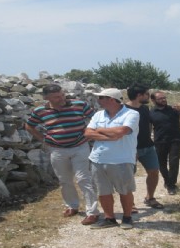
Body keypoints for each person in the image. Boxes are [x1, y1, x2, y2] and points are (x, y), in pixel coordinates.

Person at [25, 84, 100, 225]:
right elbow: (29, 126)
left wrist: (89, 135)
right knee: (64, 180)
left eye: (62, 95)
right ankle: (72, 206)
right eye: (56, 97)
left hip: (80, 147)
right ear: (46, 98)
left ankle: (93, 212)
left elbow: (96, 119)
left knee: (83, 178)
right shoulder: (40, 111)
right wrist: (43, 139)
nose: (61, 99)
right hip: (57, 150)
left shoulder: (79, 105)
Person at [84, 88, 140, 229]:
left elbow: (122, 131)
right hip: (98, 159)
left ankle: (127, 218)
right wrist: (111, 135)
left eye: (101, 98)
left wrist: (99, 130)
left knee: (125, 190)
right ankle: (109, 218)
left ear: (112, 99)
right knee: (103, 191)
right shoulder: (98, 115)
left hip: (121, 159)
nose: (98, 100)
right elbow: (87, 133)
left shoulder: (131, 114)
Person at [125, 84, 164, 209]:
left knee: (154, 172)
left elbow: (148, 126)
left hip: (148, 146)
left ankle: (150, 198)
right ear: (139, 95)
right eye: (146, 94)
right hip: (130, 149)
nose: (148, 96)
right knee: (129, 176)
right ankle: (130, 203)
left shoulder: (145, 109)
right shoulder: (123, 110)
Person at [149, 90, 180, 195]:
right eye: (160, 98)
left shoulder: (174, 110)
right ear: (153, 100)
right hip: (160, 141)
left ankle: (171, 185)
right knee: (161, 164)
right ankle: (167, 180)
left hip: (175, 139)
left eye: (164, 98)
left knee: (174, 162)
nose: (163, 100)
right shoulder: (151, 113)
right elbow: (149, 128)